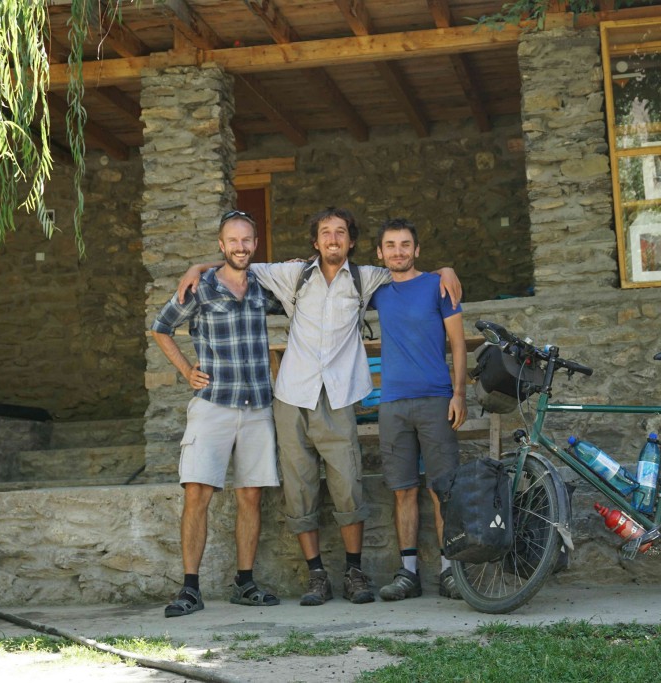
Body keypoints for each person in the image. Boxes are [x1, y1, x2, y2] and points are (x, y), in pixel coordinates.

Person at [177, 207, 461, 607]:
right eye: (325, 233)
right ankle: (316, 576)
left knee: (348, 487)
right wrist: (198, 266)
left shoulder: (368, 277)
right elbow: (240, 262)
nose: (333, 239)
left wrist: (445, 270)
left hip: (340, 395)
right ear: (315, 241)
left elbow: (409, 271)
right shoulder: (293, 274)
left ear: (352, 241)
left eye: (340, 233)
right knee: (299, 489)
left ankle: (353, 571)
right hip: (292, 396)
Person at [151, 210, 282, 617]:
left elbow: (304, 280)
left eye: (247, 240)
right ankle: (190, 588)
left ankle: (245, 583)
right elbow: (161, 327)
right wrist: (187, 370)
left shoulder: (266, 286)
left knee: (251, 496)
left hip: (258, 404)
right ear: (221, 245)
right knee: (197, 493)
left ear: (254, 245)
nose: (240, 247)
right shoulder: (201, 287)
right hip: (213, 406)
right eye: (232, 240)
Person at [369, 218, 467, 601]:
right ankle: (408, 574)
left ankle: (450, 571)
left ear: (417, 249)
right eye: (390, 245)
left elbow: (458, 345)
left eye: (405, 244)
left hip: (436, 399)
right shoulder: (376, 290)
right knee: (402, 490)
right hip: (392, 403)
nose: (398, 251)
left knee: (442, 489)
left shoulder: (438, 285)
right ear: (379, 253)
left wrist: (458, 394)